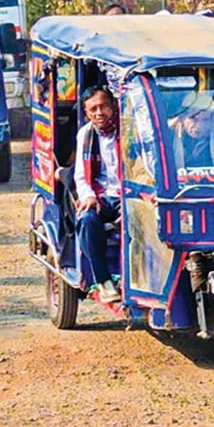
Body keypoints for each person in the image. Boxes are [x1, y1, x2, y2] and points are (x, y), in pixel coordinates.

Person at [72, 85, 121, 301]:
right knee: (87, 220)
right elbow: (81, 177)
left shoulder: (130, 129)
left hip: (128, 195)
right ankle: (104, 281)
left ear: (113, 106)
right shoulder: (86, 135)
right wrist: (89, 196)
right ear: (86, 113)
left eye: (103, 107)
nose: (99, 113)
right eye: (93, 109)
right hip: (102, 196)